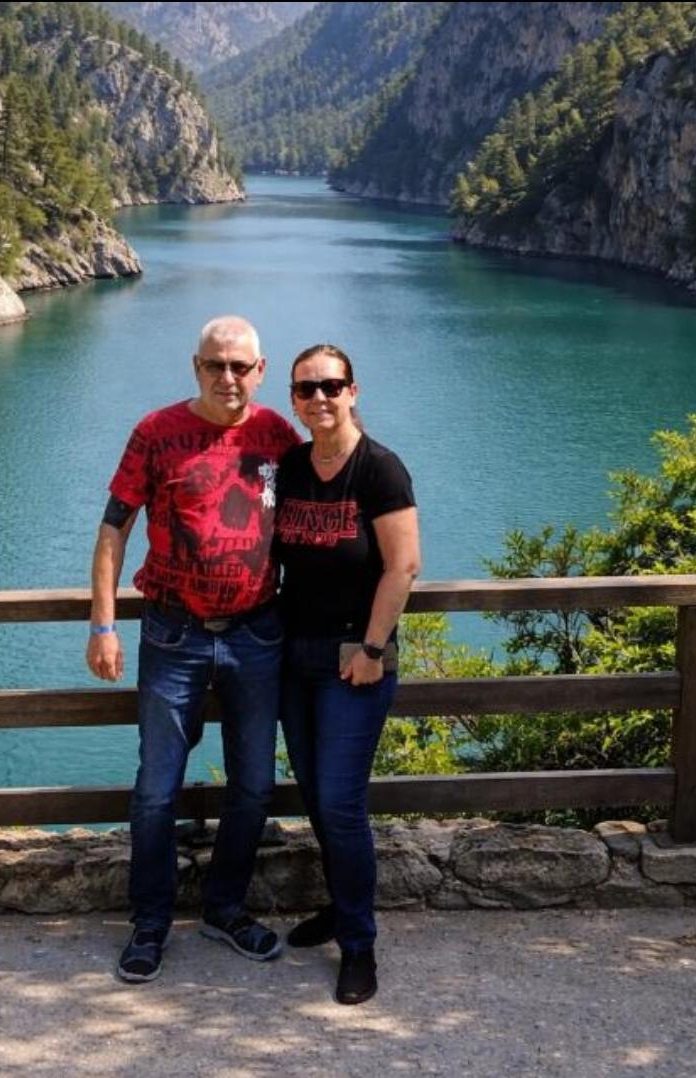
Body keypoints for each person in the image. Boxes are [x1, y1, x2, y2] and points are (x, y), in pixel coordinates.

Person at [87, 315, 299, 984]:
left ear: (260, 372)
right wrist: (102, 625)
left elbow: (315, 520)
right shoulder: (156, 432)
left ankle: (224, 908)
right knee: (156, 789)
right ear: (196, 367)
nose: (227, 377)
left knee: (254, 785)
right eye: (215, 365)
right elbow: (114, 529)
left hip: (257, 632)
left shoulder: (277, 436)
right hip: (172, 633)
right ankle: (150, 922)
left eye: (240, 366)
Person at [275, 343, 420, 1005]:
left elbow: (403, 566)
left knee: (339, 800)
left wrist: (371, 647)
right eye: (306, 389)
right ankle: (340, 907)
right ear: (293, 400)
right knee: (315, 793)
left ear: (352, 392)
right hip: (293, 654)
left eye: (331, 386)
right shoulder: (292, 466)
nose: (320, 398)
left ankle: (359, 944)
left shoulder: (380, 469)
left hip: (354, 657)